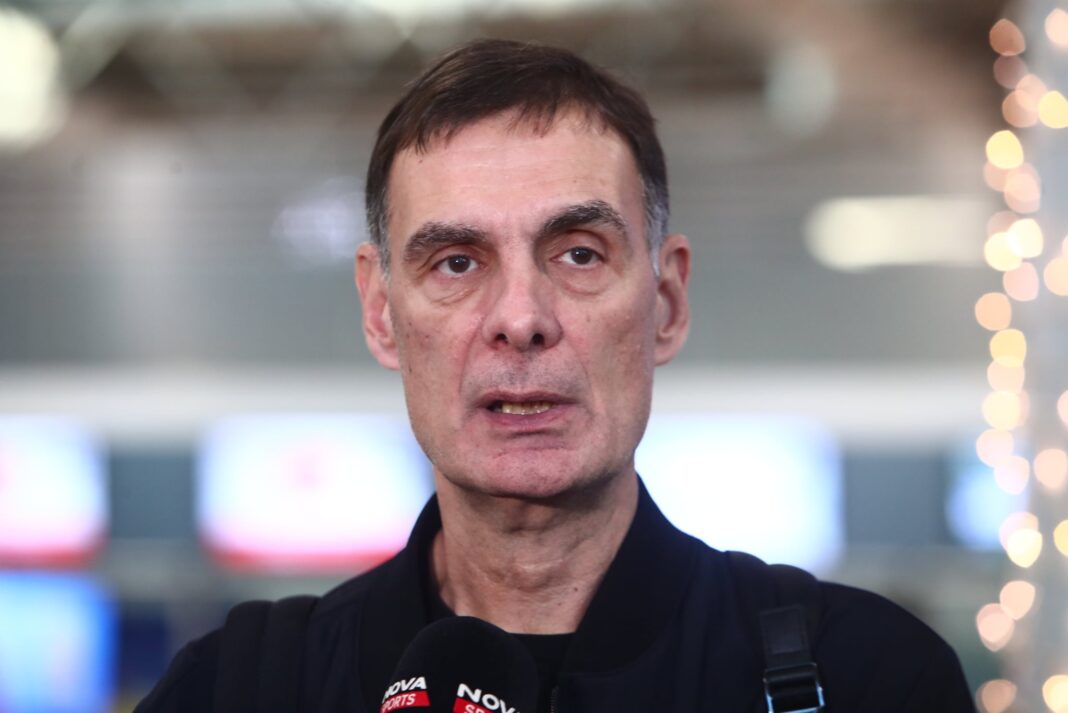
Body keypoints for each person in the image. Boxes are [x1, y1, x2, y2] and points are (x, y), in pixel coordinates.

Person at [137, 39, 975, 712]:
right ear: (382, 311)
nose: (521, 317)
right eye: (457, 261)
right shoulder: (237, 687)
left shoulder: (868, 677)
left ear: (666, 302)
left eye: (578, 253)